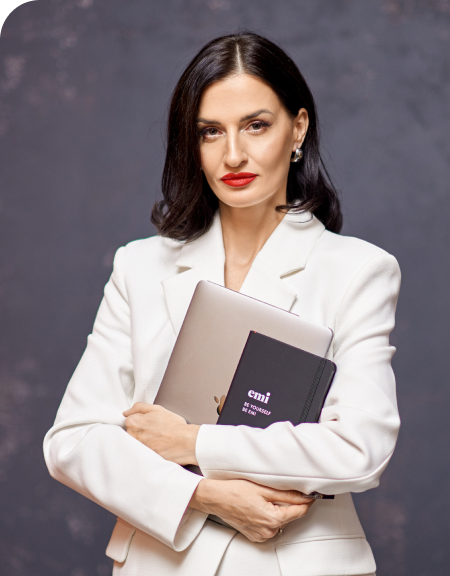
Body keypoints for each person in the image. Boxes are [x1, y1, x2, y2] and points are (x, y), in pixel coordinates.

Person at [43, 31, 401, 576]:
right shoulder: (140, 266)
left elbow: (359, 448)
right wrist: (201, 496)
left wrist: (192, 443)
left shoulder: (357, 270)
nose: (233, 154)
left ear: (297, 128)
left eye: (256, 125)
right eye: (210, 132)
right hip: (158, 564)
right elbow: (73, 442)